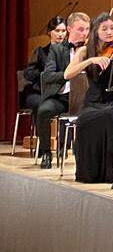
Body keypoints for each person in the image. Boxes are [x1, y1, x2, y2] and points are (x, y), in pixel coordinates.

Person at [63, 13, 113, 184]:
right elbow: (67, 74)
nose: (110, 32)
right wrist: (90, 61)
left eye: (112, 28)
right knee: (84, 121)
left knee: (110, 115)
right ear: (96, 31)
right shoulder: (85, 51)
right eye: (105, 29)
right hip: (94, 98)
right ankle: (91, 172)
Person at [32, 14, 87, 168]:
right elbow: (48, 75)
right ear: (70, 29)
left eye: (87, 29)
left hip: (83, 98)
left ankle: (86, 155)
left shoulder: (89, 50)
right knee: (43, 110)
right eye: (81, 29)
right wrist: (67, 74)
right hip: (61, 97)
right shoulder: (56, 49)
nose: (84, 33)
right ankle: (46, 153)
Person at [20, 17, 67, 115]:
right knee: (45, 106)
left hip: (59, 94)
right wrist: (45, 74)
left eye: (63, 31)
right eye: (57, 31)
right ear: (49, 32)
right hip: (39, 92)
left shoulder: (69, 52)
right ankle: (42, 130)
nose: (60, 34)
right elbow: (28, 73)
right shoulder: (41, 52)